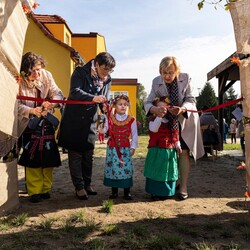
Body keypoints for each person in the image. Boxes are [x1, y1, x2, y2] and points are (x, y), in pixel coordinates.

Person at [144, 56, 204, 200]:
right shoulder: (155, 82)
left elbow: (191, 100)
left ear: (177, 71)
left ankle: (183, 187)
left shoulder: (186, 78)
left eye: (170, 72)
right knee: (169, 154)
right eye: (164, 73)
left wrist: (182, 109)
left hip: (184, 120)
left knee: (183, 152)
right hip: (165, 122)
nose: (167, 76)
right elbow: (147, 102)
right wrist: (154, 109)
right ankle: (171, 182)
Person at [58, 52, 116, 200]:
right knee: (76, 154)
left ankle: (87, 184)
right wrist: (93, 98)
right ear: (96, 64)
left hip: (90, 120)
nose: (107, 73)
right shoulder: (80, 72)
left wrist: (105, 106)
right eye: (105, 69)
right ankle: (79, 187)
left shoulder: (107, 79)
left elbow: (104, 97)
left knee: (89, 154)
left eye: (110, 70)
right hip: (74, 120)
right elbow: (74, 92)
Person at [18, 52, 63, 203]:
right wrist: (30, 110)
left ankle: (46, 189)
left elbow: (58, 93)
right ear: (25, 71)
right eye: (34, 70)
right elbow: (14, 104)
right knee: (32, 157)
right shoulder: (17, 81)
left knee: (48, 157)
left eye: (39, 69)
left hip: (47, 124)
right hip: (29, 124)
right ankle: (34, 191)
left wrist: (52, 103)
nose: (38, 73)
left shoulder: (46, 75)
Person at [144, 96, 182, 200]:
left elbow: (175, 135)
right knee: (155, 170)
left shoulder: (173, 122)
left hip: (169, 151)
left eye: (164, 107)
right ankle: (155, 191)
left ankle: (167, 191)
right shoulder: (153, 120)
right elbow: (154, 129)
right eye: (159, 108)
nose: (162, 110)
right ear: (155, 109)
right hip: (156, 149)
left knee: (168, 171)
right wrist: (159, 117)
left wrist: (177, 145)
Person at [103, 94, 138, 200]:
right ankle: (114, 192)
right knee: (113, 168)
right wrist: (101, 126)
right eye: (120, 104)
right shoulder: (110, 118)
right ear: (114, 106)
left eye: (125, 105)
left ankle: (127, 192)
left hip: (125, 149)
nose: (123, 106)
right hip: (112, 149)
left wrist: (133, 147)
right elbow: (104, 130)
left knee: (125, 169)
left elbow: (135, 134)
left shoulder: (131, 120)